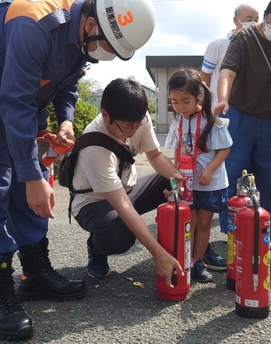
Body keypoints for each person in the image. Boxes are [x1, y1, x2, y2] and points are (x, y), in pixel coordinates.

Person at [0, 0, 156, 340]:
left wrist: (67, 120)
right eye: (107, 46)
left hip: (26, 103)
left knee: (37, 176)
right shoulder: (34, 23)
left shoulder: (81, 36)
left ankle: (35, 272)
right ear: (90, 25)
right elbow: (14, 104)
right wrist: (30, 179)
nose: (104, 54)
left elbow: (67, 85)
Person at [71, 78, 185, 283]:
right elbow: (122, 205)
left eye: (138, 125)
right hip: (94, 203)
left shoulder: (138, 118)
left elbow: (156, 156)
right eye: (127, 127)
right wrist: (157, 253)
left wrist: (179, 180)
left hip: (127, 191)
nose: (133, 131)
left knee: (175, 181)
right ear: (105, 115)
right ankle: (96, 248)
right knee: (119, 237)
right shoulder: (93, 147)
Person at [214, 0, 271, 250]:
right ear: (265, 14)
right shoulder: (244, 37)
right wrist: (222, 99)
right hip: (239, 114)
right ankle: (233, 227)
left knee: (270, 175)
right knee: (232, 172)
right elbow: (227, 71)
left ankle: (268, 228)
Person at [164, 69, 232, 282]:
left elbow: (225, 149)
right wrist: (174, 176)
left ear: (199, 96)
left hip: (209, 183)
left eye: (185, 101)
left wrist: (210, 169)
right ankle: (185, 261)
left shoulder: (211, 120)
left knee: (203, 224)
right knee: (189, 224)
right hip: (188, 183)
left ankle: (198, 261)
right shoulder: (178, 122)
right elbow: (176, 151)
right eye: (175, 102)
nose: (180, 107)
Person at [201, 4, 260, 106]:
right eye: (249, 19)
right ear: (236, 20)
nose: (253, 24)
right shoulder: (218, 44)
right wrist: (206, 105)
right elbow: (205, 76)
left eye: (256, 20)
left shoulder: (257, 45)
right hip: (220, 107)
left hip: (246, 108)